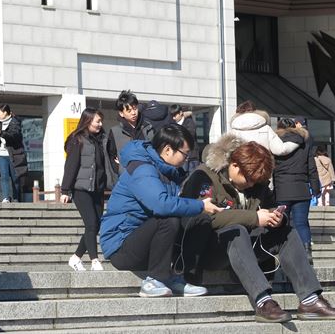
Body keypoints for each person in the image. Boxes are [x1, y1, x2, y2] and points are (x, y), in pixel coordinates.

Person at [180, 136, 335, 323]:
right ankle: (263, 301)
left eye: (255, 181)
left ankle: (310, 300)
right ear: (234, 165)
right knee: (237, 231)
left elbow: (270, 206)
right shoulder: (204, 176)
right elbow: (198, 218)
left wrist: (278, 217)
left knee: (286, 232)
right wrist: (254, 218)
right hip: (210, 250)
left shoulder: (257, 183)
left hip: (246, 249)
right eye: (248, 179)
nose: (251, 184)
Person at [99, 124, 220, 297]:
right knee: (168, 220)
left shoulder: (167, 172)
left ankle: (178, 276)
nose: (186, 159)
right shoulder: (143, 169)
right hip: (121, 246)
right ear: (168, 150)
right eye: (185, 154)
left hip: (146, 241)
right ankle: (154, 281)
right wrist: (200, 205)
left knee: (198, 221)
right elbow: (161, 205)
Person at [60, 108, 117, 272]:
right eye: (97, 121)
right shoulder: (77, 139)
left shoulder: (102, 140)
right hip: (81, 189)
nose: (100, 124)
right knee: (91, 223)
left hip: (97, 189)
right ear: (87, 120)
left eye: (101, 121)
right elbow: (70, 166)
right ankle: (94, 260)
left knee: (96, 225)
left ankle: (76, 258)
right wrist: (65, 190)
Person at [274, 117, 319, 255]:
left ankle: (284, 253)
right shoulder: (305, 144)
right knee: (301, 223)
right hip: (301, 190)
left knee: (281, 223)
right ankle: (307, 253)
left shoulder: (275, 144)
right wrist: (315, 188)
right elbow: (311, 168)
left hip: (282, 190)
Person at [0, 104, 27, 203]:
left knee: (15, 178)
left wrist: (2, 133)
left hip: (13, 154)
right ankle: (5, 197)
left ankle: (16, 197)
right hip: (1, 154)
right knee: (4, 176)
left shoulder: (15, 122)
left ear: (5, 113)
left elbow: (14, 136)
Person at [229, 100, 299, 156]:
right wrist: (297, 142)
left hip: (240, 170)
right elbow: (280, 150)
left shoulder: (232, 132)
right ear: (256, 112)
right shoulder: (266, 129)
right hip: (262, 170)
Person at [109, 90, 144, 173]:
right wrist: (119, 168)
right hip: (125, 176)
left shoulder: (147, 128)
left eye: (135, 109)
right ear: (121, 113)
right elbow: (111, 155)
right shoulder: (115, 132)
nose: (133, 113)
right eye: (129, 111)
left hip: (145, 175)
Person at [170, 104, 199, 173]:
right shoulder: (174, 124)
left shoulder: (189, 122)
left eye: (175, 115)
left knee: (192, 177)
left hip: (191, 156)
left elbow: (189, 136)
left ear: (180, 113)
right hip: (180, 156)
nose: (174, 118)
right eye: (172, 116)